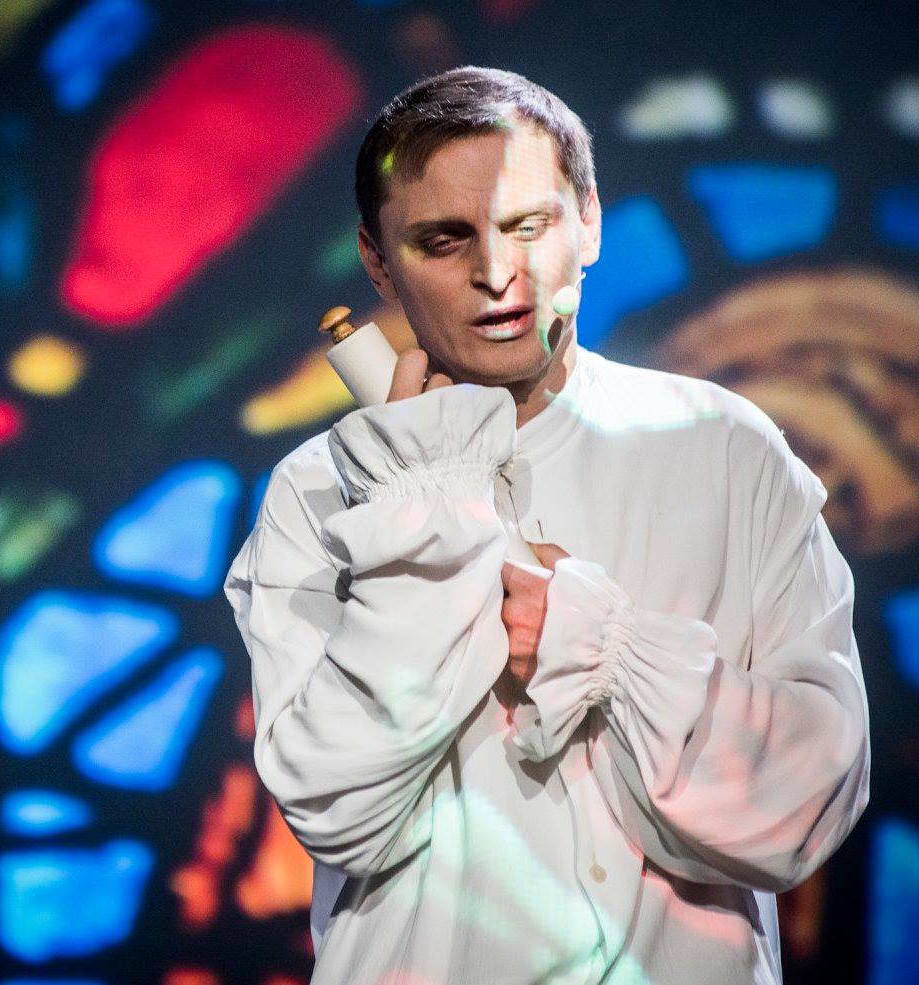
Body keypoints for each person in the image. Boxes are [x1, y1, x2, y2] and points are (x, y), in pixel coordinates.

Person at [223, 66, 869, 984]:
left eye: (528, 226)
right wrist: (419, 526)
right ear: (377, 262)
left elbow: (806, 802)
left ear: (590, 221)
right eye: (444, 240)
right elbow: (339, 810)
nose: (498, 275)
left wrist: (594, 642)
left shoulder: (726, 448)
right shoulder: (318, 490)